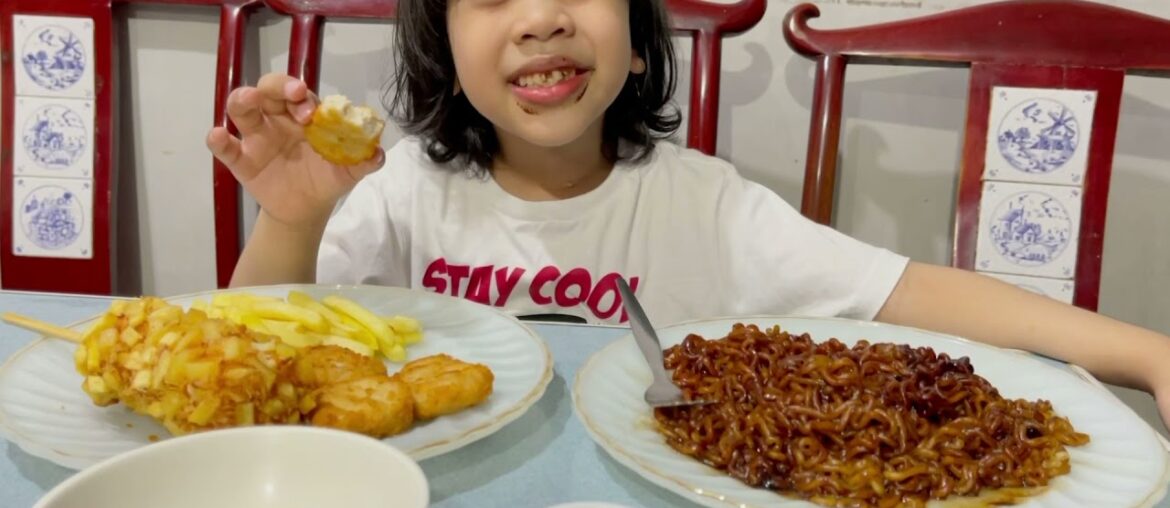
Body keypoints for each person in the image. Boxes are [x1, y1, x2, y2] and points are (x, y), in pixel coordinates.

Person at [204, 0, 1170, 427]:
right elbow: (254, 354)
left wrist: (1148, 355)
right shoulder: (404, 190)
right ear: (443, 51)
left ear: (635, 47)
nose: (540, 17)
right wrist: (291, 218)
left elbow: (906, 293)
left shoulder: (701, 204)